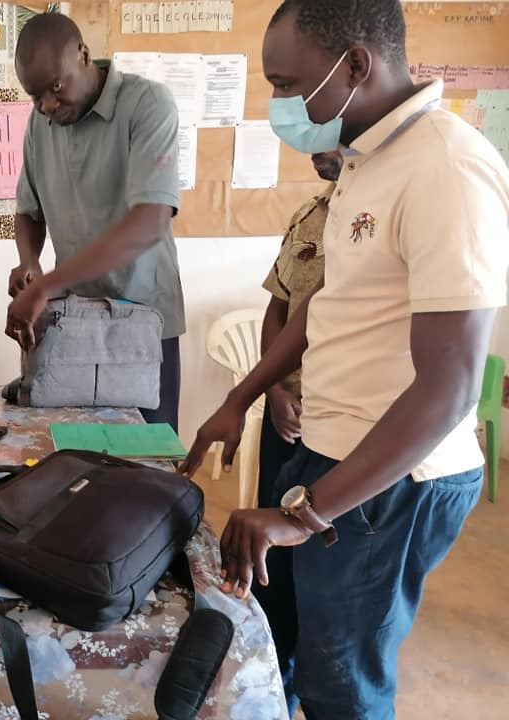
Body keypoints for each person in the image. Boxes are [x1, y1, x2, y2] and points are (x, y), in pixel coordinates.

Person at [179, 1, 509, 718]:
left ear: (355, 65)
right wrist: (240, 397)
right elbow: (325, 305)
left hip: (392, 481)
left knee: (343, 682)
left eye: (287, 84)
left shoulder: (447, 168)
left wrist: (303, 517)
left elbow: (450, 387)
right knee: (284, 643)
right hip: (328, 451)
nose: (280, 106)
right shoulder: (365, 162)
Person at [6, 13, 185, 430]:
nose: (48, 106)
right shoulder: (41, 124)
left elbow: (150, 222)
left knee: (145, 454)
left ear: (84, 55)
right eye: (35, 97)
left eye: (55, 88)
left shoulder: (148, 104)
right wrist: (30, 262)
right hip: (73, 322)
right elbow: (29, 210)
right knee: (73, 450)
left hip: (142, 321)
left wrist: (46, 286)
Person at [256, 150, 341, 716]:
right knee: (275, 570)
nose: (312, 145)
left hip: (343, 431)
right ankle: (275, 691)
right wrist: (272, 391)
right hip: (286, 422)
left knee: (329, 583)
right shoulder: (308, 214)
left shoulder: (388, 212)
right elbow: (279, 310)